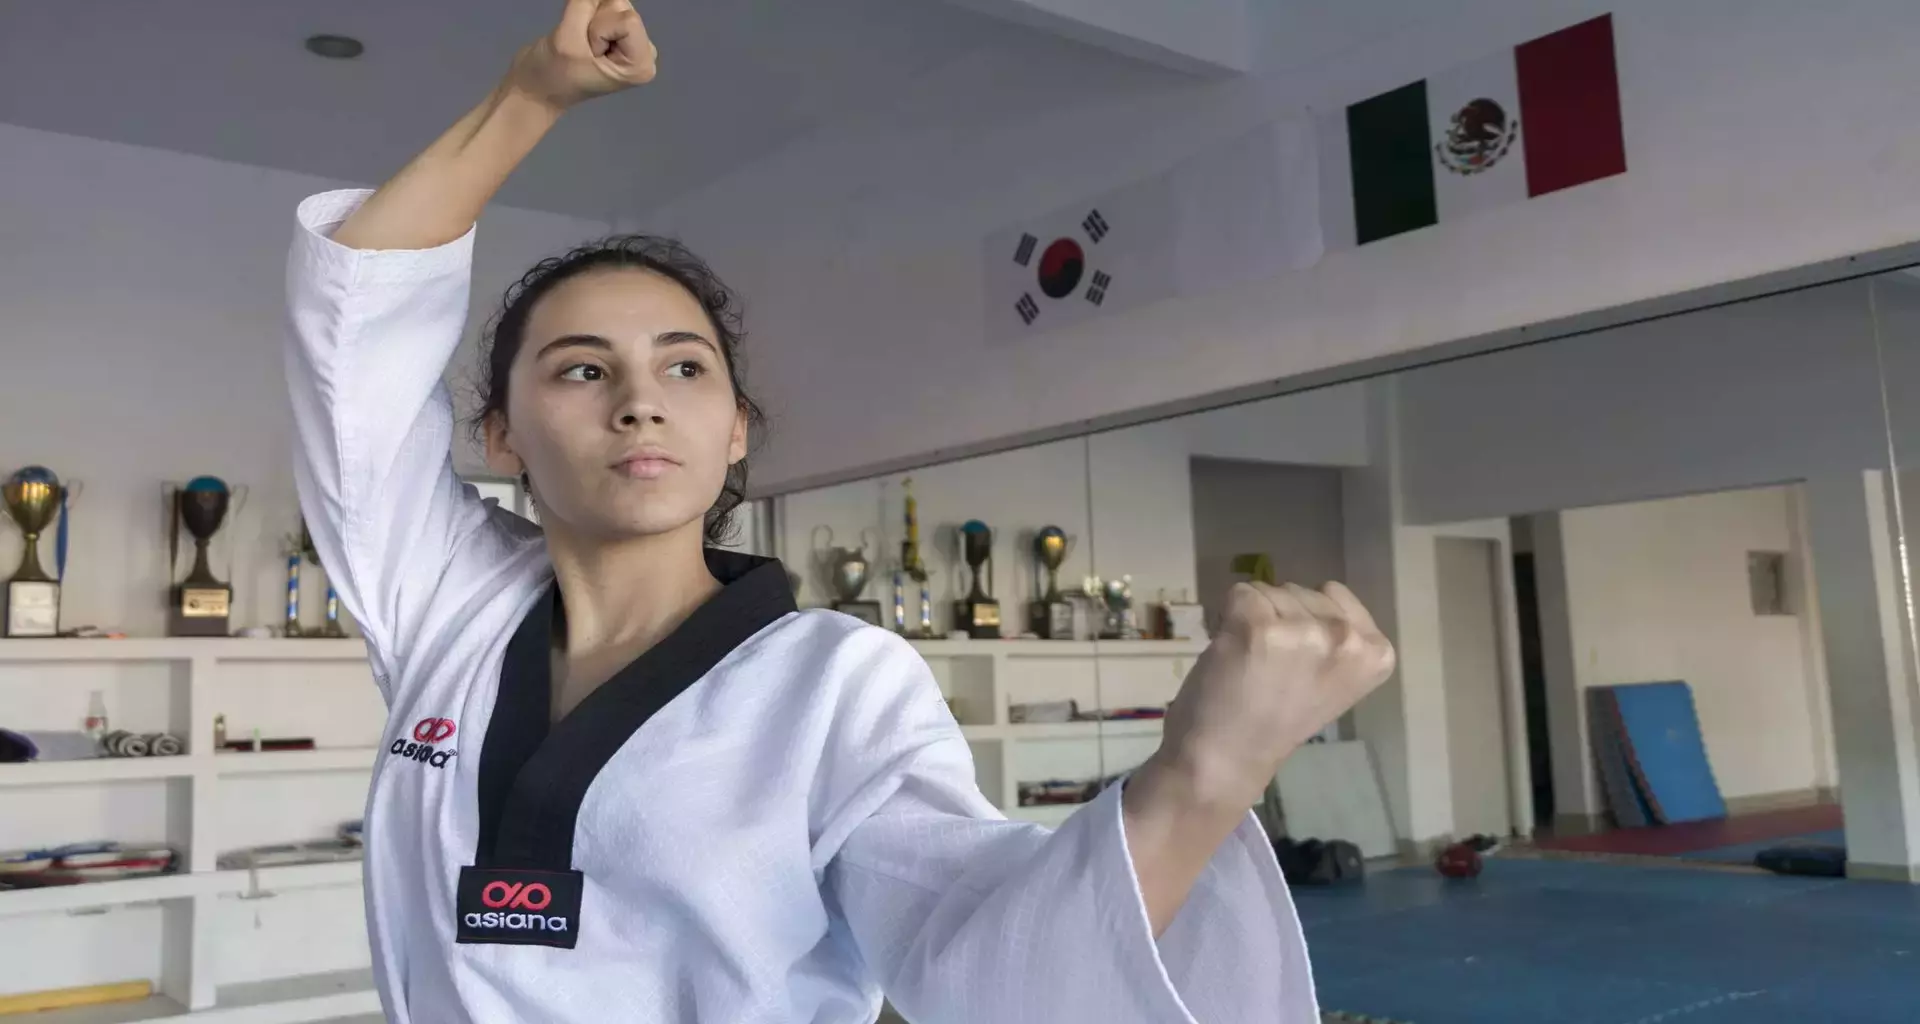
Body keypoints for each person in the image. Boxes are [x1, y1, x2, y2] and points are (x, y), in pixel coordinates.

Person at [283, 2, 1396, 1021]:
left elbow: (985, 958)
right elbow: (353, 337)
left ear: (735, 431)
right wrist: (531, 96)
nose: (637, 404)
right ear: (500, 436)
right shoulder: (449, 605)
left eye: (684, 369)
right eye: (581, 371)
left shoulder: (833, 683)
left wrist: (1208, 770)